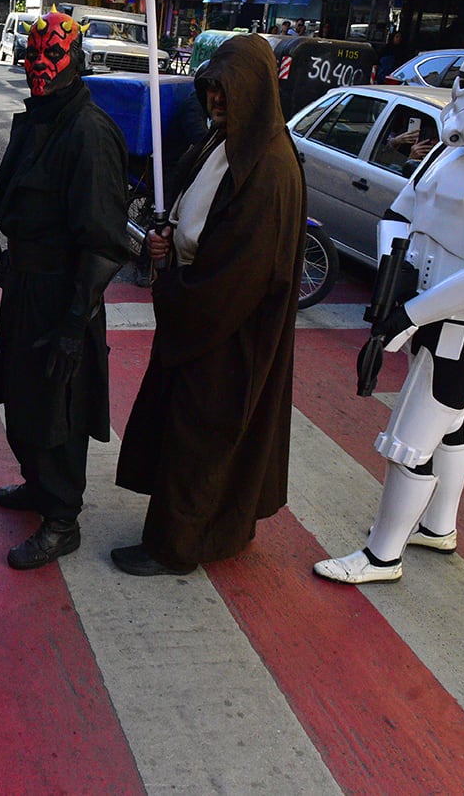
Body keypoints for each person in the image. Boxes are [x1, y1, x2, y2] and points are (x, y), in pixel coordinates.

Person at [315, 40, 464, 584]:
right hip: (425, 309)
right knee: (451, 425)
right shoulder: (449, 148)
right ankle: (438, 527)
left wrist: (410, 313)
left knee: (411, 437)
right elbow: (399, 213)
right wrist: (391, 285)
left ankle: (383, 557)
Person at [112, 34, 306, 576]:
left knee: (200, 438)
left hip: (226, 330)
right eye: (210, 90)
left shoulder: (268, 168)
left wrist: (175, 288)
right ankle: (211, 531)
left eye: (225, 92)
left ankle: (175, 547)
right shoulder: (228, 142)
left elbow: (240, 273)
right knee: (193, 432)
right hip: (207, 313)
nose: (215, 102)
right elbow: (196, 214)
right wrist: (166, 240)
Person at [0, 11, 132, 571]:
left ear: (76, 62)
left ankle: (61, 518)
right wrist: (15, 262)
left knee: (57, 408)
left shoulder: (89, 134)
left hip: (65, 297)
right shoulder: (39, 120)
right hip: (26, 287)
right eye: (33, 56)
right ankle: (37, 486)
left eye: (53, 56)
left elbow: (102, 243)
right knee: (22, 397)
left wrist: (75, 323)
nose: (39, 68)